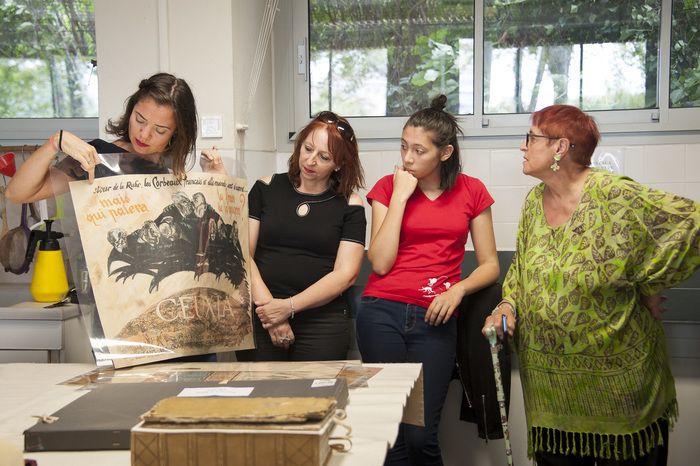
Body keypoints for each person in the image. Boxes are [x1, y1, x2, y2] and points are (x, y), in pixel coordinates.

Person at [483, 104, 700, 466]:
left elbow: (690, 224)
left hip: (619, 392)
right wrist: (506, 305)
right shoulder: (534, 202)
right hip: (551, 395)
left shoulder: (614, 196)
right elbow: (521, 267)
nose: (522, 146)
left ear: (560, 147)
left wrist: (652, 283)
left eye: (530, 137)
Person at [356, 95, 500, 465]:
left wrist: (458, 289)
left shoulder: (472, 191)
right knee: (391, 436)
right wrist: (402, 197)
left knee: (420, 436)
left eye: (419, 151)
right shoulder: (390, 187)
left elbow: (489, 266)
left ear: (445, 152)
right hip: (381, 313)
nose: (407, 158)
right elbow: (381, 262)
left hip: (434, 318)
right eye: (404, 147)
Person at [236, 111, 366, 361]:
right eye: (308, 149)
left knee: (317, 398)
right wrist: (271, 313)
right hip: (261, 313)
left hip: (321, 323)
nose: (311, 160)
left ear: (338, 164)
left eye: (324, 157)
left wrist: (288, 307)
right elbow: (242, 252)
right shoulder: (266, 188)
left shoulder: (350, 205)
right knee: (260, 396)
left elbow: (345, 274)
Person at [5, 72, 224, 204]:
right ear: (131, 111)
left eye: (159, 130)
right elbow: (16, 194)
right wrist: (54, 143)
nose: (144, 134)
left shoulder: (172, 170)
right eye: (139, 119)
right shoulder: (98, 158)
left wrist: (214, 181)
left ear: (177, 133)